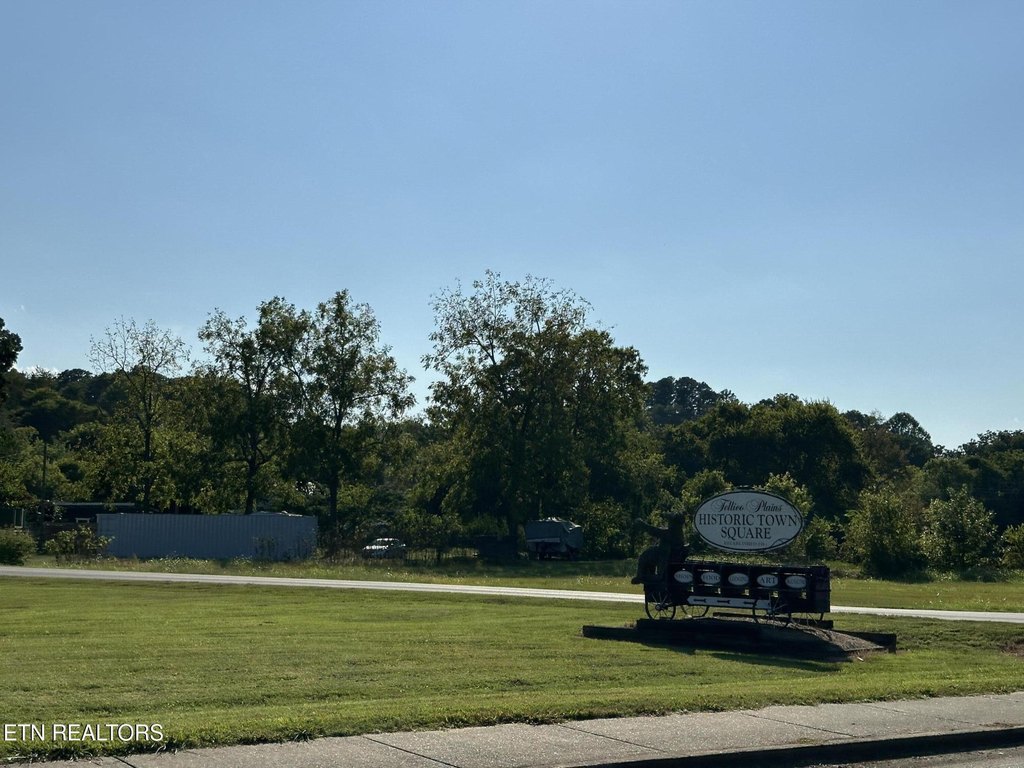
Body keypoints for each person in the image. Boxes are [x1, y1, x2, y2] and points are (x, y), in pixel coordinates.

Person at [631, 511, 689, 585]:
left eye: (670, 521)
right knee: (649, 552)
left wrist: (642, 524)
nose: (668, 522)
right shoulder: (678, 533)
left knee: (644, 556)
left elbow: (654, 531)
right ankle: (647, 575)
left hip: (667, 557)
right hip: (668, 555)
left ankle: (641, 576)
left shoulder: (670, 533)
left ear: (673, 522)